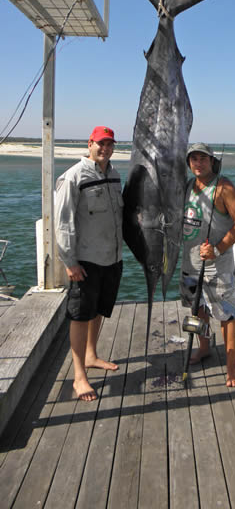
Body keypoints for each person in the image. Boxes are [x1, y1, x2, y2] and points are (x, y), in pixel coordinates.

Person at [55, 126, 123, 401]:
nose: (105, 149)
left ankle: (92, 354)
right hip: (85, 260)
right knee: (81, 316)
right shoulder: (73, 177)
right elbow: (62, 223)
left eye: (109, 144)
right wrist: (69, 263)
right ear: (90, 144)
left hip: (112, 257)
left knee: (99, 310)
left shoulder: (115, 175)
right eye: (100, 144)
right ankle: (79, 376)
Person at [181, 143, 235, 387]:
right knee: (198, 311)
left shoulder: (224, 186)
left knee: (227, 316)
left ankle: (231, 367)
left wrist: (218, 248)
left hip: (218, 267)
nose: (197, 163)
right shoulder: (187, 186)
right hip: (190, 264)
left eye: (202, 159)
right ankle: (204, 348)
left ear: (212, 161)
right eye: (193, 159)